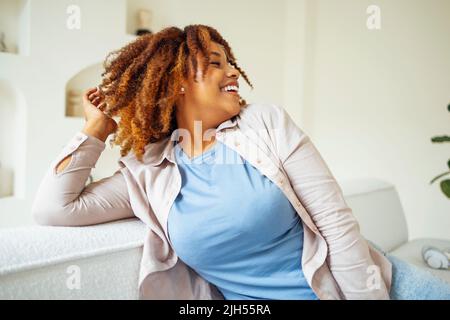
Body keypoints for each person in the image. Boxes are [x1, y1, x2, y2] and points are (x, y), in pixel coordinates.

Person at [31, 24, 450, 300]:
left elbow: (337, 226)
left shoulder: (264, 123)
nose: (232, 72)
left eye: (230, 61)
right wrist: (97, 129)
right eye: (215, 64)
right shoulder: (148, 173)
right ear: (175, 83)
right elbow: (55, 207)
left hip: (372, 288)